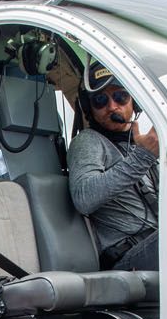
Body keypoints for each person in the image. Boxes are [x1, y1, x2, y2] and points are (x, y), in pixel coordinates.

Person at [68, 62, 160, 270]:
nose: (112, 106)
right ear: (88, 108)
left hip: (158, 240)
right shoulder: (89, 141)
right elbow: (84, 197)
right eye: (100, 100)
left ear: (133, 101)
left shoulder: (140, 143)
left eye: (120, 97)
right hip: (128, 256)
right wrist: (142, 158)